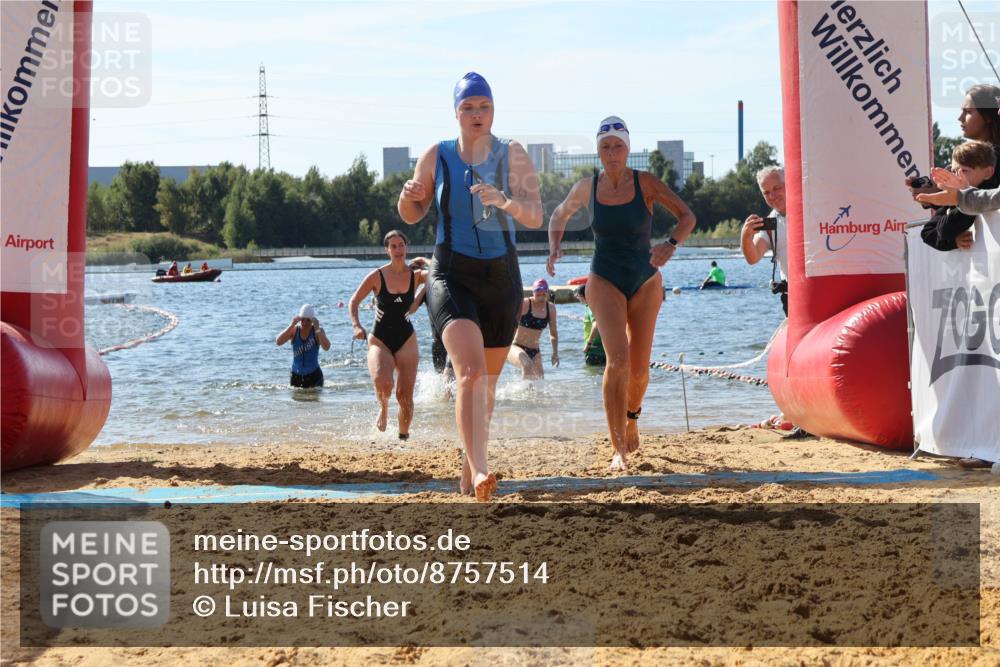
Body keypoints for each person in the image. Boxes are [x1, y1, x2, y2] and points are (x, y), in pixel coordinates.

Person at [397, 72, 542, 500]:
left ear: (493, 110)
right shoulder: (438, 155)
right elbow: (411, 213)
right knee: (470, 373)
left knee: (488, 388)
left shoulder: (512, 153)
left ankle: (467, 471)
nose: (476, 115)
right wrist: (407, 196)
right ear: (456, 113)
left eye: (484, 106)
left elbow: (535, 214)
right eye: (467, 108)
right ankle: (481, 469)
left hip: (501, 279)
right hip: (450, 275)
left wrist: (505, 201)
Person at [547, 116, 696, 470]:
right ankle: (618, 448)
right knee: (618, 361)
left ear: (628, 149)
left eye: (618, 146)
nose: (611, 152)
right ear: (598, 151)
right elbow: (558, 214)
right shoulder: (588, 187)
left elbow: (687, 216)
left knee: (640, 371)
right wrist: (554, 246)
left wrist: (671, 245)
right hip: (604, 279)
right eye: (605, 147)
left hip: (645, 279)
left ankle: (632, 419)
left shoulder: (645, 183)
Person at [348, 230, 429, 440]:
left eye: (401, 245)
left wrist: (424, 261)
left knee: (405, 395)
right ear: (387, 250)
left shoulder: (417, 276)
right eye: (393, 246)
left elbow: (441, 273)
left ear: (406, 248)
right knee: (384, 384)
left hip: (406, 339)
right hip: (380, 339)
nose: (398, 250)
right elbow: (354, 301)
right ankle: (383, 408)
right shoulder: (377, 276)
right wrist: (356, 326)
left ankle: (403, 438)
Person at [919, 141, 997, 251]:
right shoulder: (954, 194)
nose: (956, 177)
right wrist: (953, 242)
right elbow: (927, 232)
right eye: (954, 171)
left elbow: (945, 230)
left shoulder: (990, 193)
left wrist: (964, 197)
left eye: (964, 171)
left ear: (988, 172)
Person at [740, 166, 788, 315]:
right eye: (766, 192)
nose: (772, 196)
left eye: (776, 188)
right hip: (792, 296)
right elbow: (753, 258)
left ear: (788, 184)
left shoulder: (811, 209)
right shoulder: (770, 222)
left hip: (820, 289)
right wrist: (745, 236)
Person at [508, 279, 559, 379]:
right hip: (516, 346)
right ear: (533, 293)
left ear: (547, 293)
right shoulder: (526, 304)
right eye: (538, 295)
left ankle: (530, 394)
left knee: (540, 380)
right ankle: (524, 394)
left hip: (535, 351)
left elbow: (553, 333)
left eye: (543, 295)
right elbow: (510, 322)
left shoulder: (551, 308)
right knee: (527, 365)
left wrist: (555, 353)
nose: (541, 298)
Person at [275, 304, 331, 388]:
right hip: (296, 376)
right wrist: (291, 325)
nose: (304, 323)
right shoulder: (294, 330)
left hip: (314, 376)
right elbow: (278, 342)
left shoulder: (317, 331)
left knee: (314, 400)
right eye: (302, 319)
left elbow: (327, 347)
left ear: (312, 320)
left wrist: (318, 330)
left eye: (308, 320)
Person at [575, 283, 606, 367]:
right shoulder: (598, 305)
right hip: (604, 351)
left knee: (591, 376)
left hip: (594, 352)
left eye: (577, 296)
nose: (578, 299)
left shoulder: (590, 307)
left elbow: (596, 324)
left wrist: (588, 344)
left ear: (582, 296)